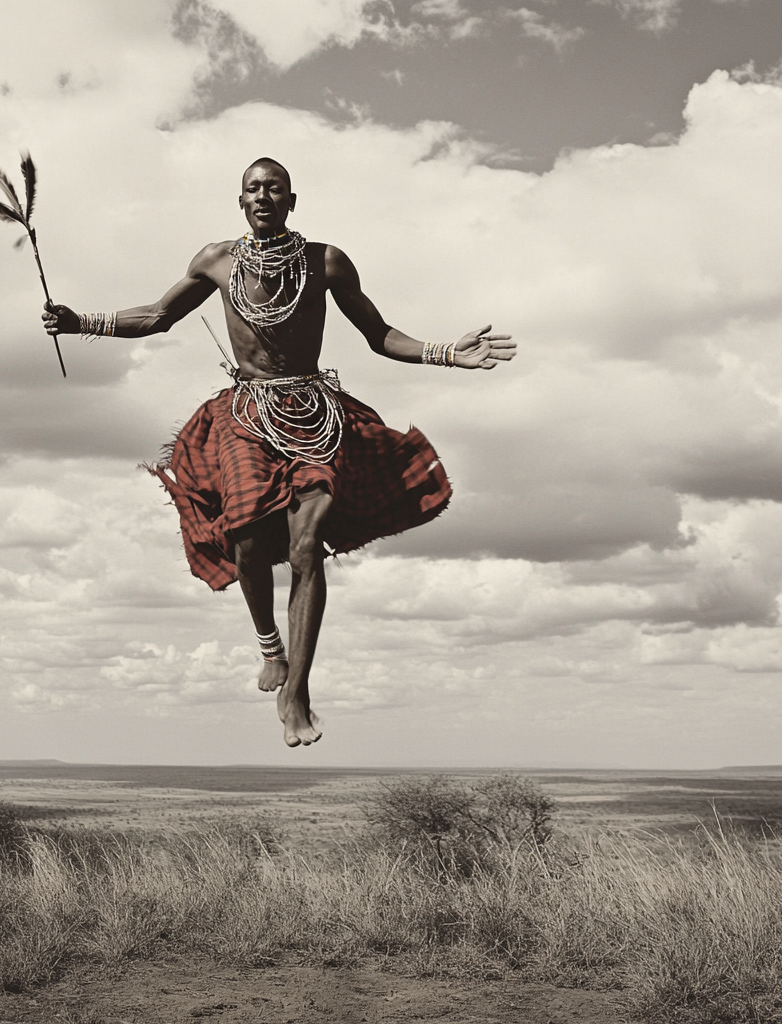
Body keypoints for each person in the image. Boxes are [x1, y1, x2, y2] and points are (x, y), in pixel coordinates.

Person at [42, 157, 515, 747]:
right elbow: (158, 317)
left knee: (306, 543)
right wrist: (80, 320)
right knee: (245, 537)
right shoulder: (216, 260)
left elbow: (379, 334)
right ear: (240, 201)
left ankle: (298, 691)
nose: (263, 196)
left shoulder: (326, 262)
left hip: (313, 413)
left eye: (274, 189)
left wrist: (447, 352)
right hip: (246, 414)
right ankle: (270, 644)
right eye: (252, 189)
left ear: (292, 201)